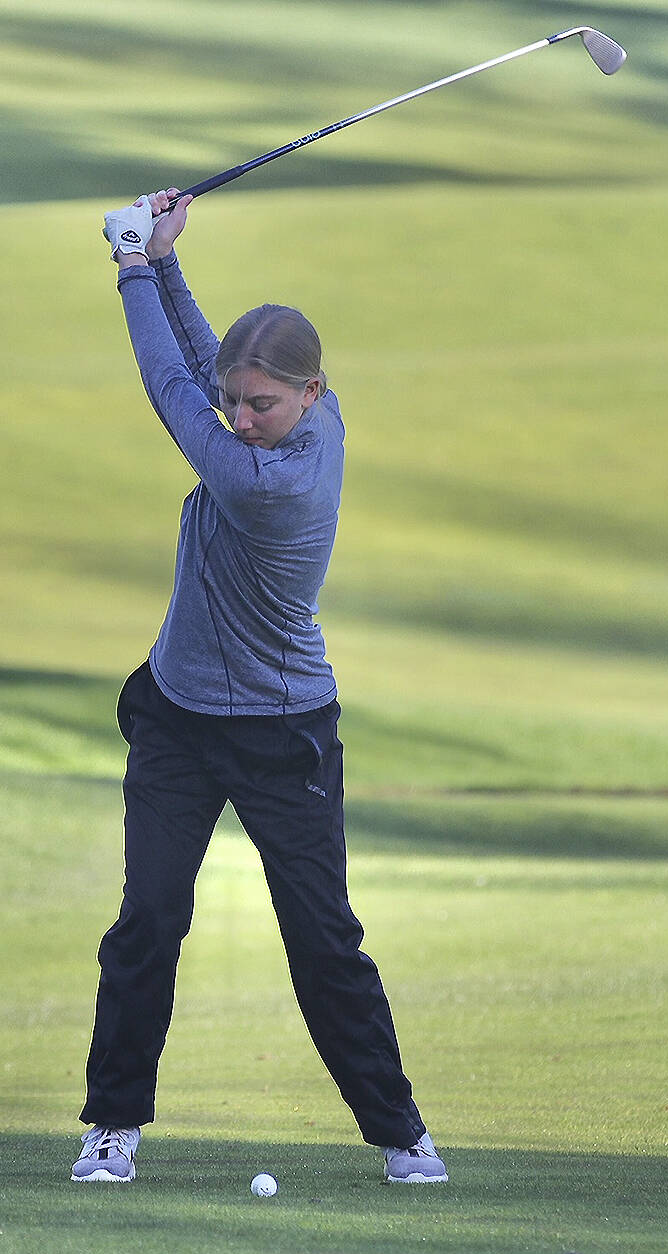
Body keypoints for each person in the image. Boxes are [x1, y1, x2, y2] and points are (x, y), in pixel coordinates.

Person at [70, 191, 447, 1186]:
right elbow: (205, 369)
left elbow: (169, 384)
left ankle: (401, 1132)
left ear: (315, 394)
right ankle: (113, 1122)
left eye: (262, 404)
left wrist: (131, 269)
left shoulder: (272, 481)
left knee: (324, 938)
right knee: (147, 917)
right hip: (176, 721)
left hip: (283, 730)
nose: (242, 417)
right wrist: (168, 261)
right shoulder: (272, 419)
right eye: (239, 402)